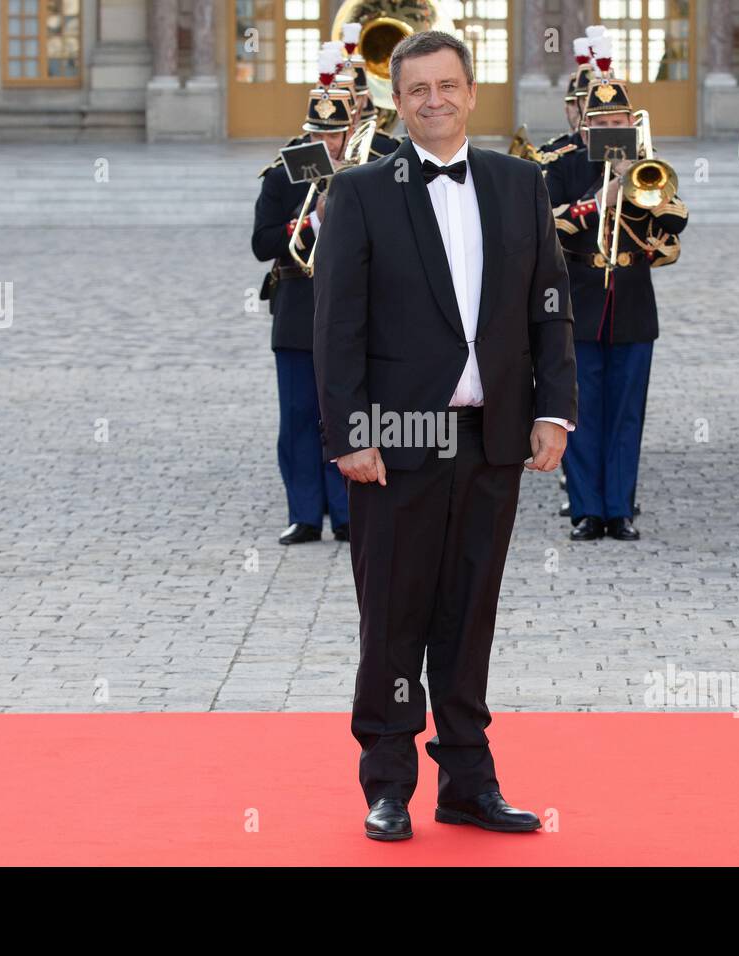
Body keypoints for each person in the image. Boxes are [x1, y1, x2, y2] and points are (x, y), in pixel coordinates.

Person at [313, 31, 578, 841]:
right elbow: (335, 329)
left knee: (470, 619)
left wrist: (553, 410)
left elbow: (549, 305)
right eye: (417, 88)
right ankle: (387, 783)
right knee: (393, 620)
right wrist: (351, 432)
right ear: (399, 100)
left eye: (448, 85)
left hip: (494, 439)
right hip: (394, 445)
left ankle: (469, 781)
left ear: (471, 92)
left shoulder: (518, 183)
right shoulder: (359, 192)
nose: (434, 100)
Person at [544, 61, 687, 542]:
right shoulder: (561, 166)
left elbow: (677, 221)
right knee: (581, 413)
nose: (608, 130)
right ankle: (586, 509)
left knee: (627, 414)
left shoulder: (648, 165)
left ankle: (619, 508)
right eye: (599, 123)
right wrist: (602, 196)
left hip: (631, 304)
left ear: (630, 125)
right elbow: (549, 227)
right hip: (579, 302)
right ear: (585, 125)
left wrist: (636, 186)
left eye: (616, 123)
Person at [251, 71, 354, 545]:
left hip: (347, 308)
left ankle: (347, 511)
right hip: (295, 305)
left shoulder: (362, 176)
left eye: (335, 134)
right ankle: (305, 514)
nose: (328, 144)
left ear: (349, 132)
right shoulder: (280, 175)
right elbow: (261, 243)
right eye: (319, 134)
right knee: (297, 415)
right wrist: (311, 218)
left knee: (342, 412)